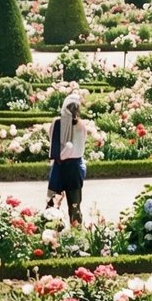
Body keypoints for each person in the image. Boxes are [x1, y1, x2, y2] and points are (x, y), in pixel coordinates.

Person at [47, 93, 89, 228]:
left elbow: (51, 139)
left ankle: (51, 233)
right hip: (74, 167)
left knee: (53, 204)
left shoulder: (57, 123)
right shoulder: (81, 126)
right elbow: (80, 147)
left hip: (60, 166)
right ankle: (75, 234)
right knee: (75, 205)